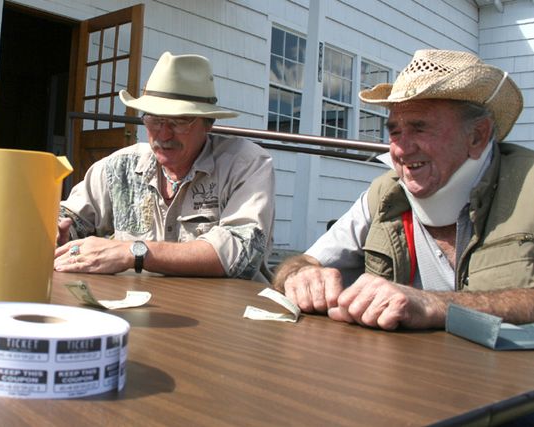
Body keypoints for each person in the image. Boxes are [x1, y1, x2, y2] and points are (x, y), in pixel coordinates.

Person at [273, 49, 534, 330]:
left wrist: (435, 304)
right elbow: (300, 262)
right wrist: (300, 276)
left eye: (420, 128)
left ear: (477, 135)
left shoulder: (526, 185)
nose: (400, 149)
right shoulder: (385, 195)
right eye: (395, 131)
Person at [55, 52, 274, 282]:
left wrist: (133, 252)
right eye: (154, 120)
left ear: (208, 123)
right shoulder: (119, 166)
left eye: (179, 122)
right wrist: (57, 231)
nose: (164, 133)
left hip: (223, 309)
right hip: (134, 304)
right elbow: (71, 217)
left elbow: (243, 253)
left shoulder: (246, 164)